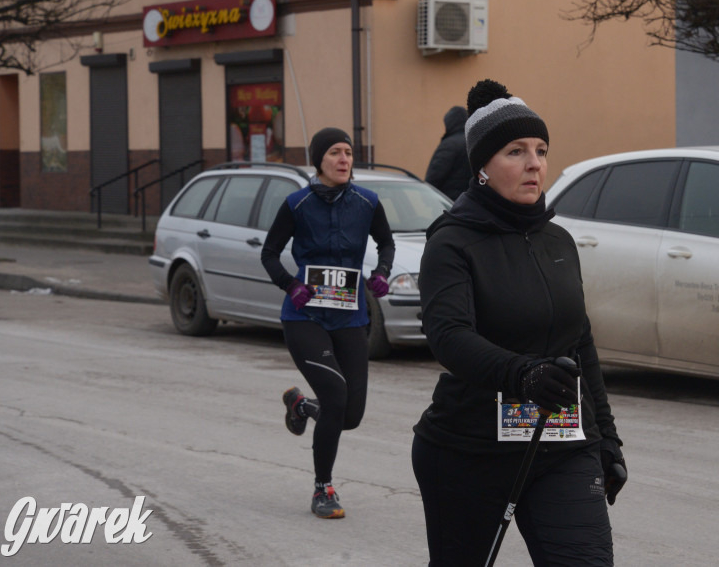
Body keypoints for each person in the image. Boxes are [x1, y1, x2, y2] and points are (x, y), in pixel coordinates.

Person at [411, 79, 627, 566]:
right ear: (481, 167)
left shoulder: (558, 242)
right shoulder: (451, 243)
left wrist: (607, 438)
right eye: (516, 152)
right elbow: (449, 336)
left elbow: (580, 343)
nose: (535, 164)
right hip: (470, 451)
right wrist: (523, 374)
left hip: (564, 446)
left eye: (541, 150)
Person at [261, 127, 395, 519]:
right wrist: (290, 286)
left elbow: (386, 243)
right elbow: (269, 253)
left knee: (349, 415)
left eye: (348, 153)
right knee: (336, 397)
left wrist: (382, 272)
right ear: (319, 160)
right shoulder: (297, 204)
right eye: (335, 152)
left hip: (350, 316)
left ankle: (301, 406)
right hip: (305, 317)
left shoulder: (367, 202)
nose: (344, 159)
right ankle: (323, 488)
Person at [424, 104, 471, 200]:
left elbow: (435, 175)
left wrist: (426, 196)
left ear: (450, 123)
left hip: (447, 201)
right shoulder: (473, 142)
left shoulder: (449, 145)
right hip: (469, 200)